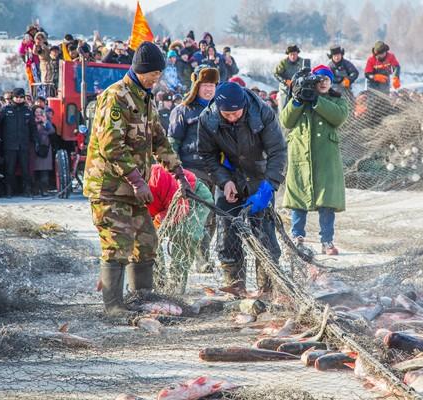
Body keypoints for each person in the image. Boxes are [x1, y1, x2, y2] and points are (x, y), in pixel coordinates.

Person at [83, 42, 188, 315]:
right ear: (140, 70)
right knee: (117, 244)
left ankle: (142, 298)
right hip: (109, 187)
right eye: (152, 73)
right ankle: (113, 307)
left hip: (133, 190)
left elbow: (160, 141)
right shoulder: (116, 97)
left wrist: (178, 173)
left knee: (146, 241)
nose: (157, 78)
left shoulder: (146, 98)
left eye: (159, 73)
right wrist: (137, 181)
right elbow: (111, 146)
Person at [198, 82, 286, 294]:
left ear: (244, 106)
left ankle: (267, 287)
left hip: (259, 176)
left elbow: (278, 151)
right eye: (226, 114)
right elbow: (207, 155)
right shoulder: (207, 118)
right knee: (227, 231)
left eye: (236, 113)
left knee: (264, 233)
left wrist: (268, 186)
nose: (232, 117)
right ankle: (235, 283)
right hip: (229, 177)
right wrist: (224, 181)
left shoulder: (263, 112)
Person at [280, 65, 348, 255]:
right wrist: (297, 100)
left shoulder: (336, 100)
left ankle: (327, 241)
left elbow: (339, 117)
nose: (324, 83)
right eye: (321, 79)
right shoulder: (300, 98)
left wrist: (317, 100)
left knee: (327, 202)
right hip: (301, 156)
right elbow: (285, 121)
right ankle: (297, 237)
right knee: (298, 200)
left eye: (328, 79)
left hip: (326, 159)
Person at [169, 66, 220, 272]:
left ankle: (203, 256)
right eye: (205, 85)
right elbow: (172, 144)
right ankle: (189, 261)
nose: (209, 89)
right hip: (192, 171)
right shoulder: (182, 111)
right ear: (196, 86)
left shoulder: (221, 110)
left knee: (212, 218)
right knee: (195, 218)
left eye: (212, 85)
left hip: (216, 171)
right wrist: (176, 172)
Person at [146, 164, 214, 292]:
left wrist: (158, 223)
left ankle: (176, 283)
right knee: (148, 239)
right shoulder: (121, 189)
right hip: (162, 208)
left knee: (186, 235)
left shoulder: (157, 176)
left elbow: (180, 206)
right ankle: (157, 282)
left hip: (191, 196)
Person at [0, 88, 37, 197]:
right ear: (13, 98)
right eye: (17, 97)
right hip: (9, 145)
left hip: (23, 145)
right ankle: (9, 191)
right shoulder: (6, 110)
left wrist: (36, 141)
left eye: (21, 97)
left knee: (25, 169)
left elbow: (33, 128)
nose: (19, 99)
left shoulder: (27, 111)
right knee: (9, 170)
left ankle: (27, 190)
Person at [31, 105, 55, 197]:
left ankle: (44, 190)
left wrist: (45, 122)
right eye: (37, 112)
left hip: (45, 148)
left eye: (41, 112)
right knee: (34, 171)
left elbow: (52, 131)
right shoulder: (31, 121)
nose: (39, 114)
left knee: (44, 171)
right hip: (34, 147)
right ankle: (35, 190)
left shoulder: (46, 121)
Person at [274, 44, 303, 111]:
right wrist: (285, 81)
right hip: (285, 88)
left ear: (297, 54)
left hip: (298, 87)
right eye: (291, 54)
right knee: (283, 107)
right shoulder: (283, 63)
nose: (293, 56)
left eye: (295, 54)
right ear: (288, 55)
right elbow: (276, 73)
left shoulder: (302, 62)